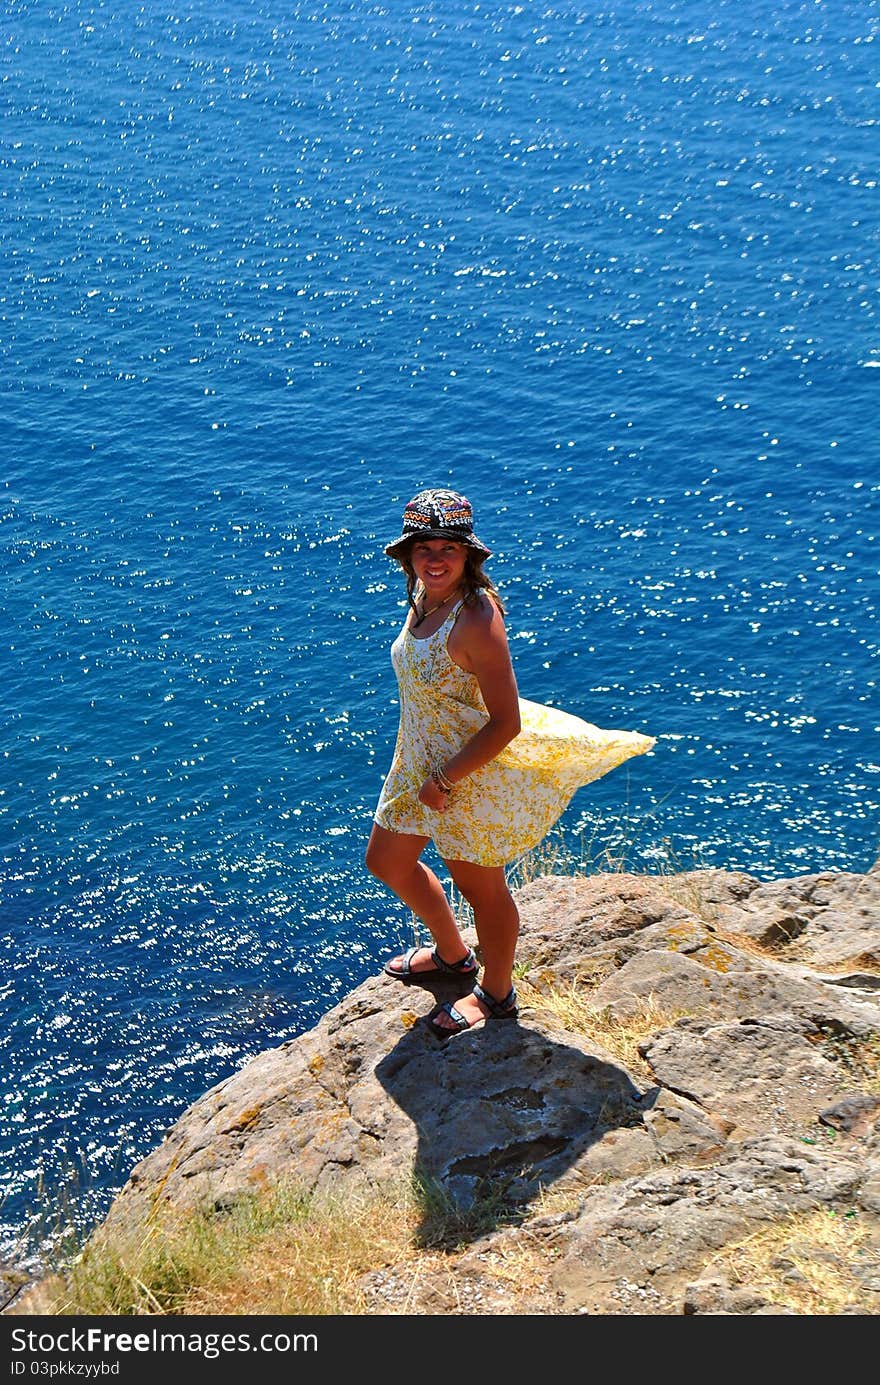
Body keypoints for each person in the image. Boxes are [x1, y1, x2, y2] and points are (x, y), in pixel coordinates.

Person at [365, 488, 655, 1042]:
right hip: (417, 761)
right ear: (407, 555)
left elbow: (505, 722)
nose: (434, 557)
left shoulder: (476, 618)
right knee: (387, 861)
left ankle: (497, 994)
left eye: (447, 546)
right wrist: (424, 772)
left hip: (465, 775)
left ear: (468, 554)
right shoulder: (425, 599)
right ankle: (453, 956)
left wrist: (445, 780)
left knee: (483, 891)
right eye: (422, 546)